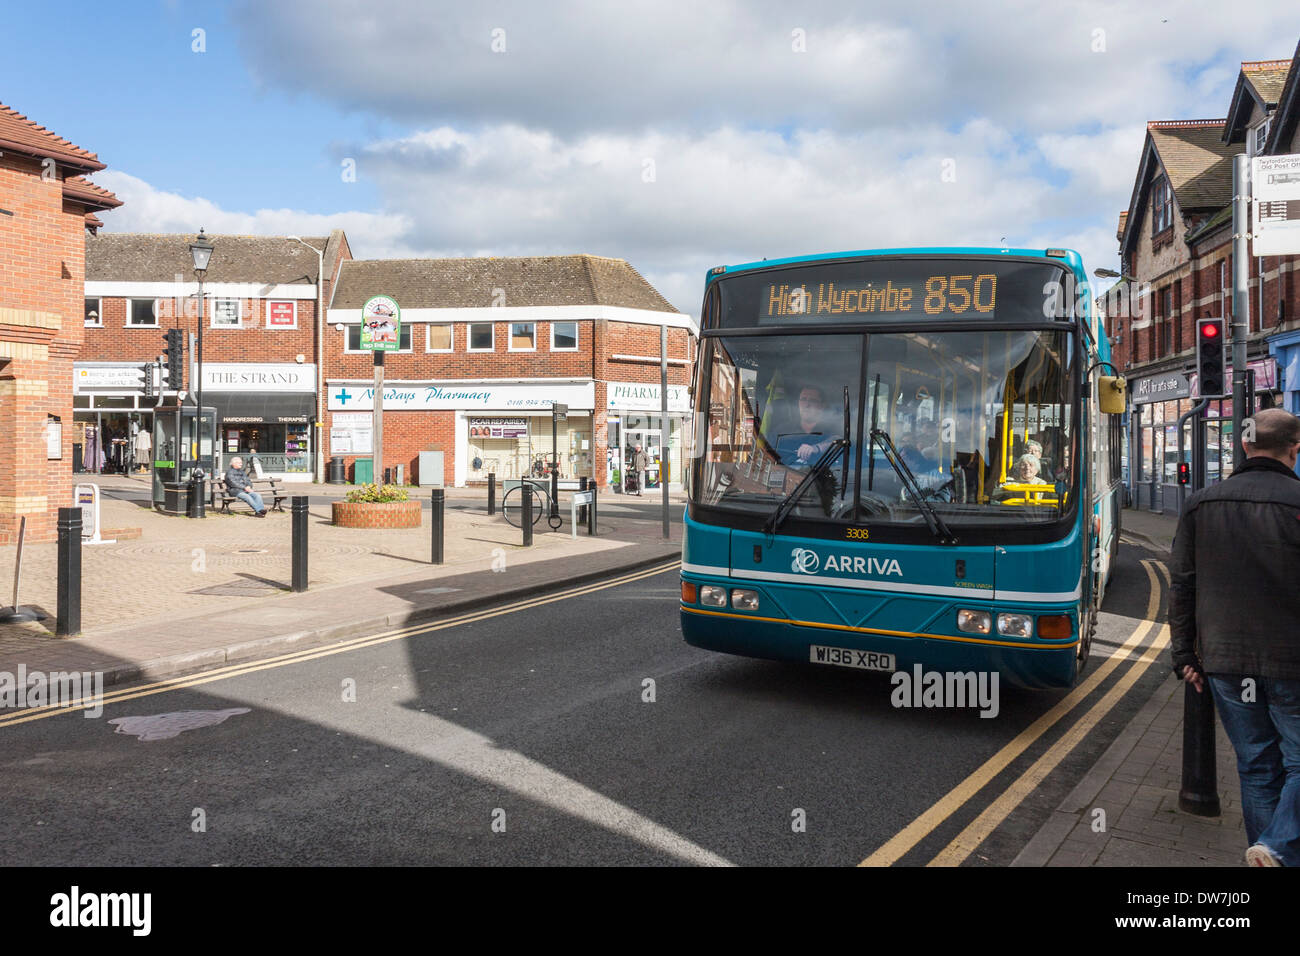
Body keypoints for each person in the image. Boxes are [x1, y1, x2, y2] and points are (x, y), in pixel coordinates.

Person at [1170, 407, 1300, 867]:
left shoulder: (1202, 503)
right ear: (1294, 449)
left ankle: (1270, 851)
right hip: (1290, 661)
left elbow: (1182, 583)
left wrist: (1184, 653)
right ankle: (1279, 847)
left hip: (1223, 661)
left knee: (1258, 767)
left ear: (1244, 445)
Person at [775, 385, 836, 465]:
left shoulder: (830, 430)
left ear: (822, 406)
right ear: (798, 403)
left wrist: (816, 448)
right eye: (803, 399)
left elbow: (838, 441)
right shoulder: (782, 430)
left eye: (812, 400)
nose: (807, 405)